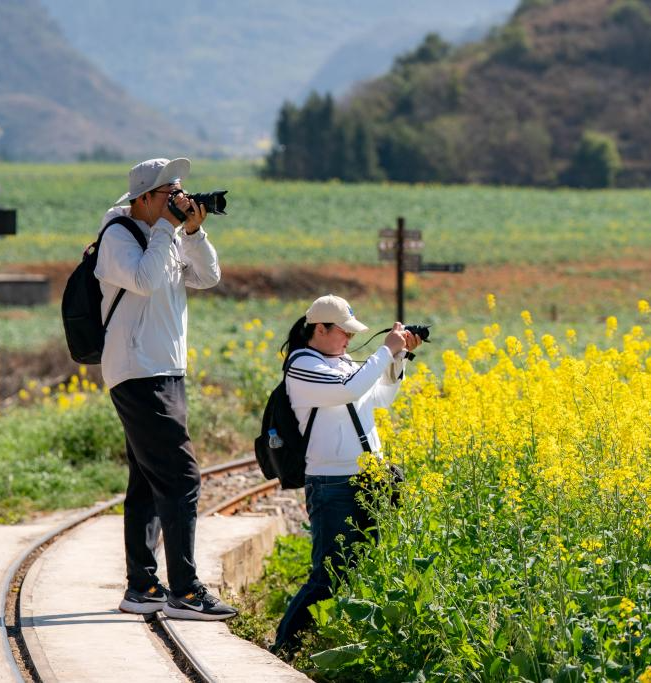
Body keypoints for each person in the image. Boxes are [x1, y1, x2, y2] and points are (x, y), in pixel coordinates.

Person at [97, 158, 236, 620]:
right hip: (137, 370)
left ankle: (142, 587)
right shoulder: (117, 236)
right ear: (142, 199)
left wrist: (192, 233)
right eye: (168, 194)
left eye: (181, 191)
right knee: (181, 478)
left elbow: (208, 277)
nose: (179, 200)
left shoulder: (169, 235)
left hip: (165, 369)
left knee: (147, 482)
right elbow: (144, 279)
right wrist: (167, 231)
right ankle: (186, 590)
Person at [272, 294, 420, 653]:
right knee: (327, 574)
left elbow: (380, 397)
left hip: (367, 477)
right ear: (319, 329)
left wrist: (398, 357)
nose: (349, 340)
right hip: (332, 483)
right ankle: (284, 646)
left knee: (358, 568)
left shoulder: (339, 363)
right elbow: (350, 390)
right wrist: (385, 350)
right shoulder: (302, 365)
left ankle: (322, 641)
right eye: (344, 333)